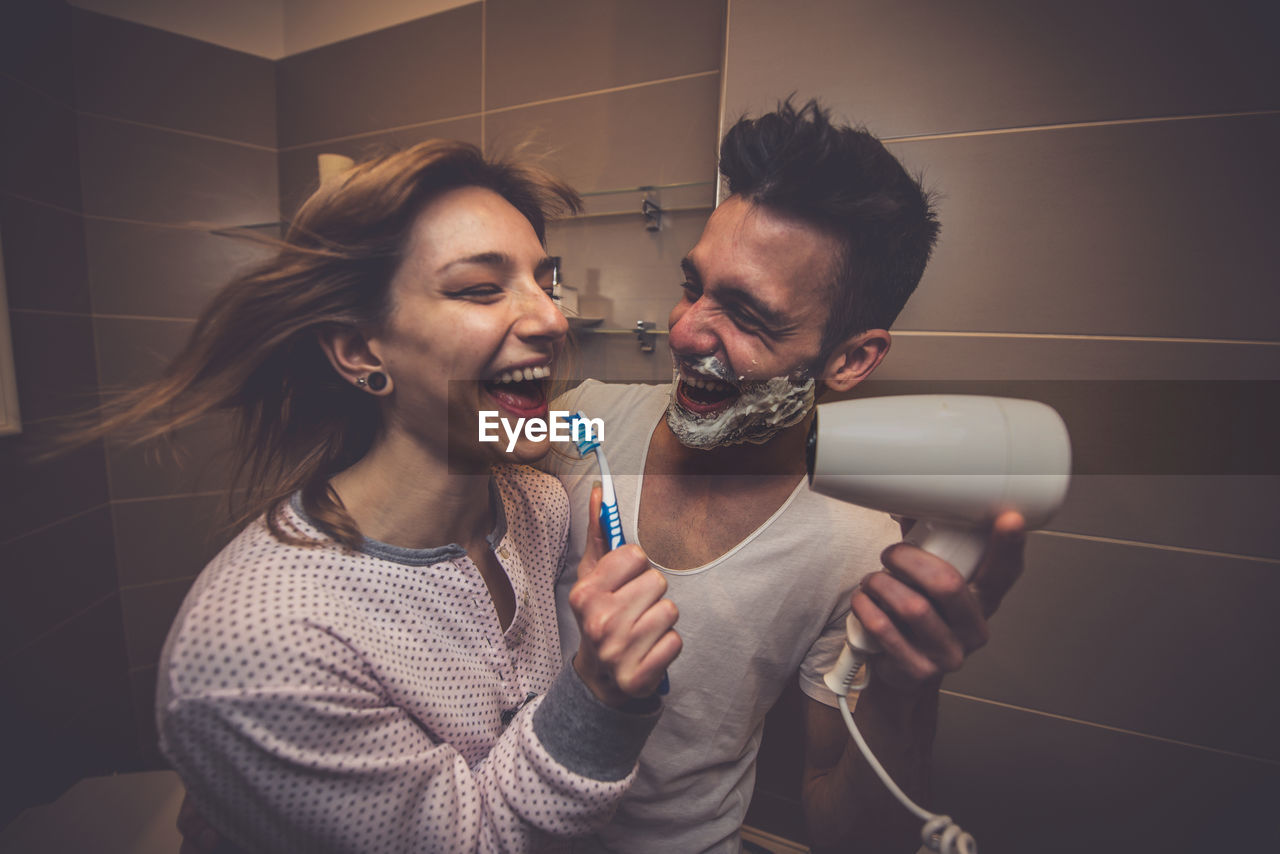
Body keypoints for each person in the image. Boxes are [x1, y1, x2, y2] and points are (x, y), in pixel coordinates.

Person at [66, 140, 682, 853]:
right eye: (481, 289)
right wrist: (599, 698)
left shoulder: (538, 510)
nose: (551, 319)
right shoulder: (258, 646)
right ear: (360, 352)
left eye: (547, 283)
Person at [548, 99, 1027, 853]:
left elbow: (843, 831)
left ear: (850, 360)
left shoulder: (856, 546)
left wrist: (905, 697)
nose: (684, 331)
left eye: (746, 314)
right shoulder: (580, 422)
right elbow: (441, 438)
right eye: (692, 286)